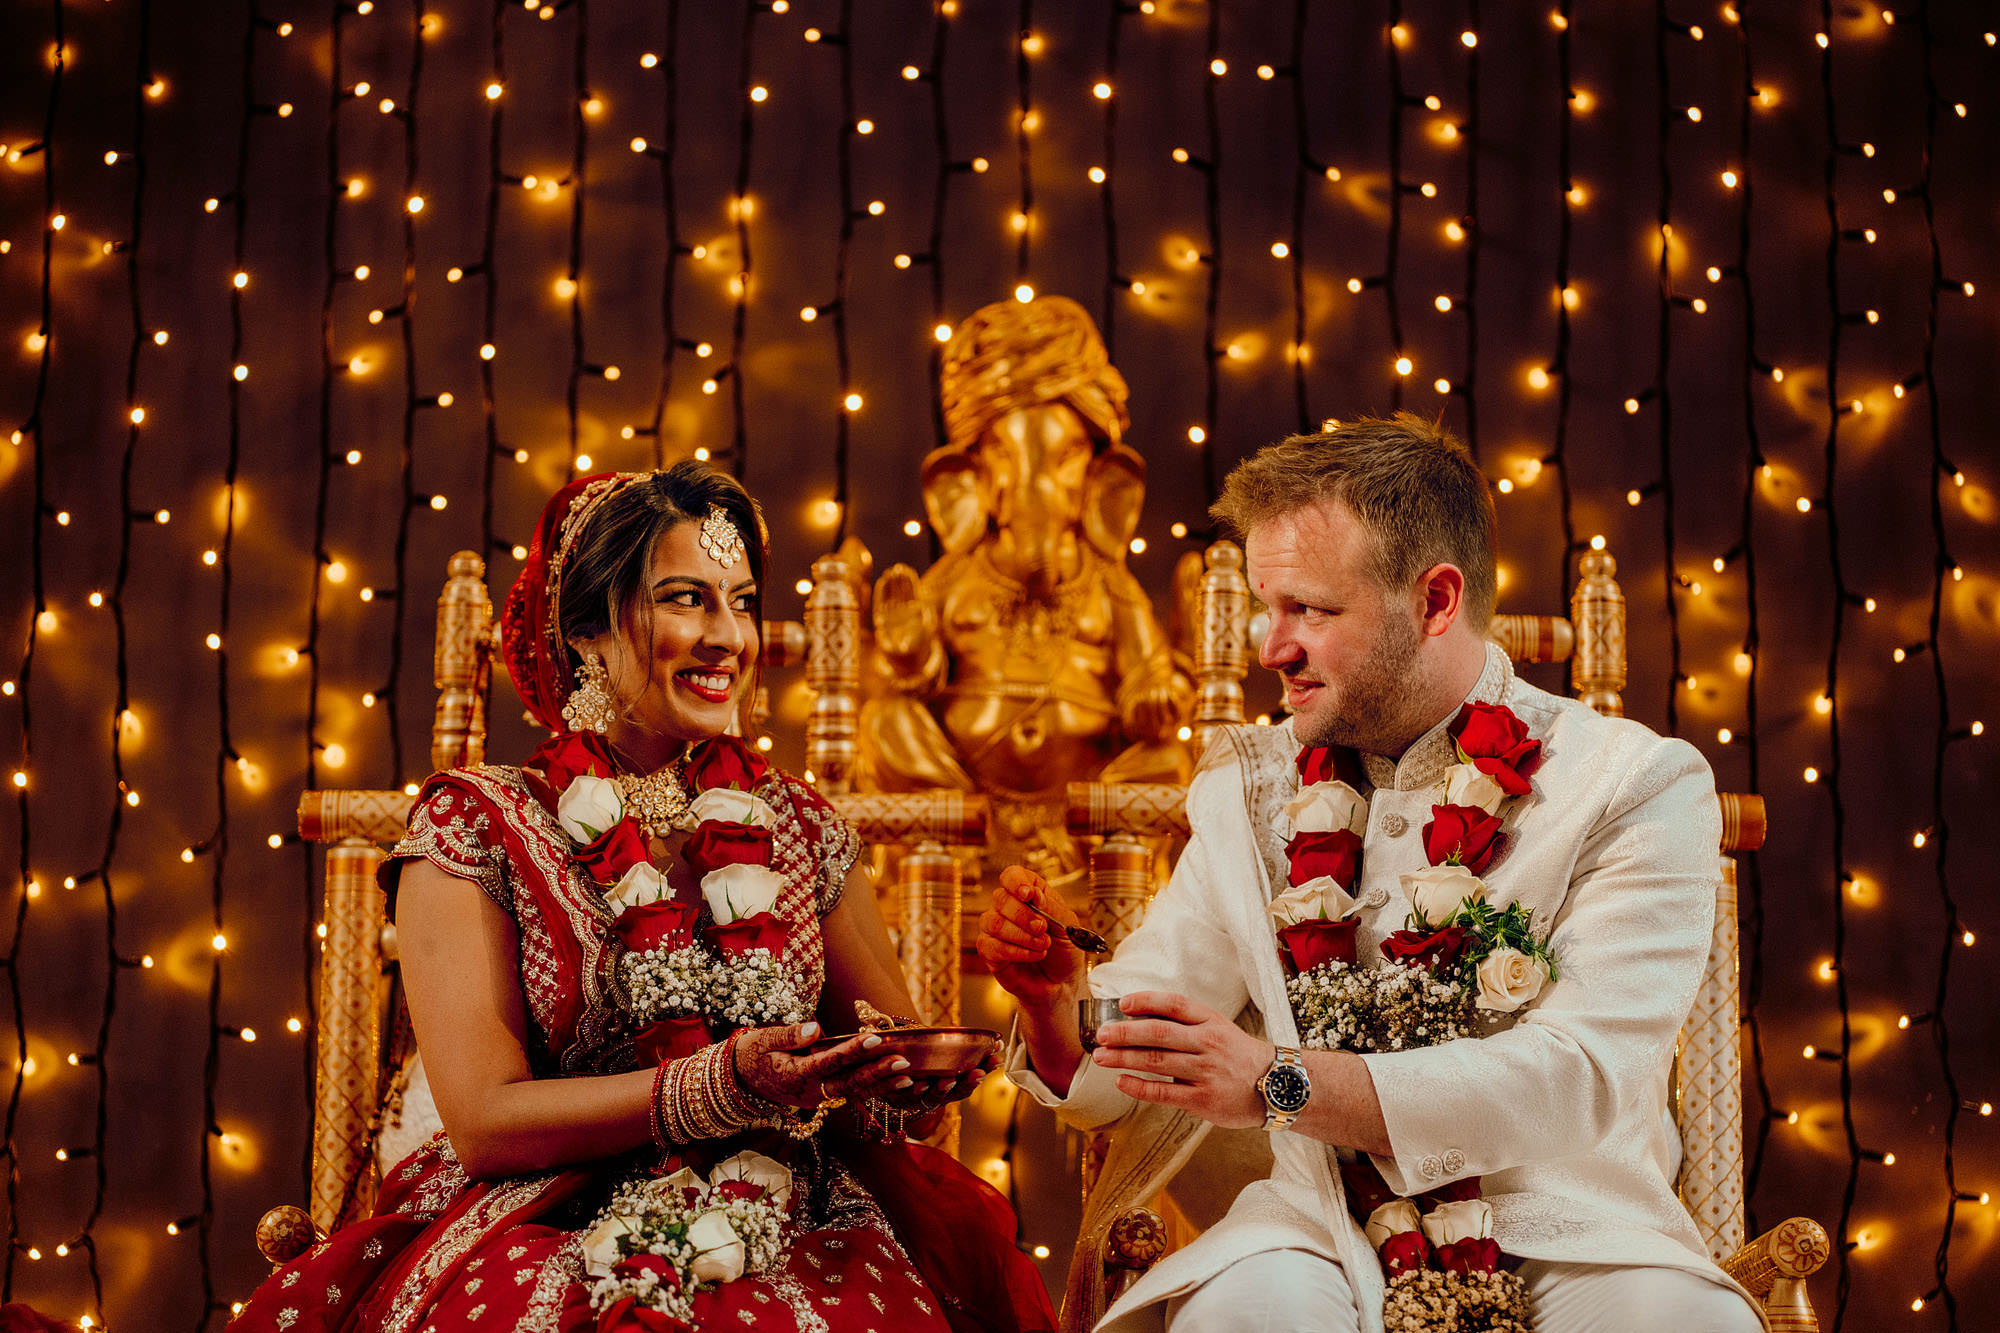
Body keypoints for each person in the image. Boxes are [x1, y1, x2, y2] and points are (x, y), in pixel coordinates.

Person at [978, 416, 1763, 1332]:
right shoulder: (1253, 789)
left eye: (1309, 609)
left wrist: (1282, 1081)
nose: (1271, 646)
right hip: (1320, 1231)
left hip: (1573, 1235)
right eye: (1267, 607)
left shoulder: (1630, 783)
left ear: (1434, 601)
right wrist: (1055, 1002)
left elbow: (1578, 1076)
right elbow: (1144, 1045)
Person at [234, 463, 1055, 1332]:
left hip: (800, 1213)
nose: (728, 637)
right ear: (586, 629)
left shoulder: (802, 824)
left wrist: (916, 1075)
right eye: (686, 599)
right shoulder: (479, 822)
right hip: (542, 1216)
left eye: (740, 601)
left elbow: (901, 1089)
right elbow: (482, 1119)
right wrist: (718, 1083)